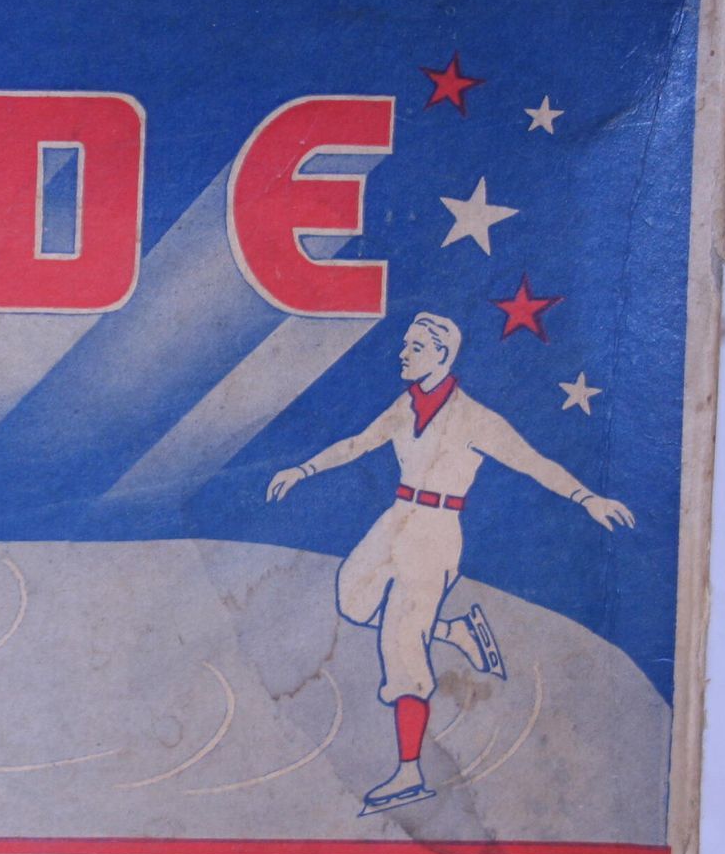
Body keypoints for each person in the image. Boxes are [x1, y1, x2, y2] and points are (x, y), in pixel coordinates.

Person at [265, 312, 633, 815]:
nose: (403, 354)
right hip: (396, 517)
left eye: (415, 347)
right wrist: (304, 469)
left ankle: (409, 773)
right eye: (405, 344)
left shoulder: (474, 419)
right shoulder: (406, 405)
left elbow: (532, 462)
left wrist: (588, 498)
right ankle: (456, 632)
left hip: (435, 533)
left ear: (441, 355)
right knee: (352, 597)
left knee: (401, 644)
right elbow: (358, 442)